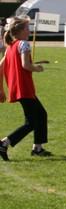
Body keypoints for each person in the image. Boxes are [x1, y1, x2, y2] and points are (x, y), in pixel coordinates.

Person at [0, 16, 50, 160]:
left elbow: (0, 67)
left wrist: (2, 89)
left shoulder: (10, 47)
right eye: (27, 28)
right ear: (20, 31)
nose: (29, 31)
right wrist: (37, 68)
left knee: (41, 115)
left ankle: (38, 148)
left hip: (17, 88)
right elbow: (25, 65)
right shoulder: (23, 44)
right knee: (32, 122)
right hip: (24, 88)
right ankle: (4, 142)